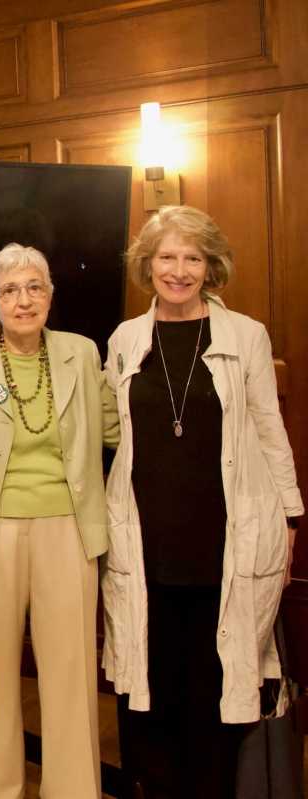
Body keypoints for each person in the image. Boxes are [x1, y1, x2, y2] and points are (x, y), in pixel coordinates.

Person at [102, 206, 303, 798]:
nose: (180, 270)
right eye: (167, 257)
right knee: (151, 686)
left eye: (193, 258)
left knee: (218, 688)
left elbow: (270, 429)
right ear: (148, 264)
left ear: (211, 267)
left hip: (224, 540)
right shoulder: (125, 339)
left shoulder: (246, 335)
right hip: (146, 541)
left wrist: (291, 517)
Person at [0, 243, 118, 799]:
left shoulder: (82, 352)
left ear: (51, 295)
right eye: (10, 291)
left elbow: (117, 426)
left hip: (68, 527)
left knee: (70, 672)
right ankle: (4, 790)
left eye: (35, 287)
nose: (24, 300)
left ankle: (73, 790)